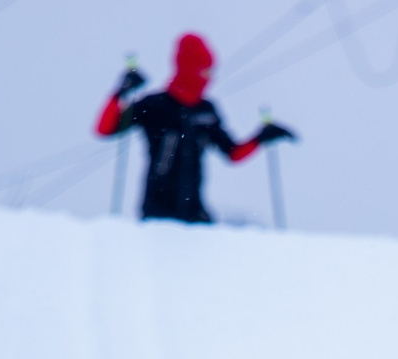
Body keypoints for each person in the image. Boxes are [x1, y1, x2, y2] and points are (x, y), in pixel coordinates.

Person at [96, 33, 294, 225]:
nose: (208, 78)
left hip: (195, 213)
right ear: (189, 68)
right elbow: (105, 128)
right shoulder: (155, 105)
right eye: (204, 70)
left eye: (210, 71)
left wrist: (260, 138)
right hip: (157, 214)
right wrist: (120, 92)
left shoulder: (206, 110)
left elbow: (233, 153)